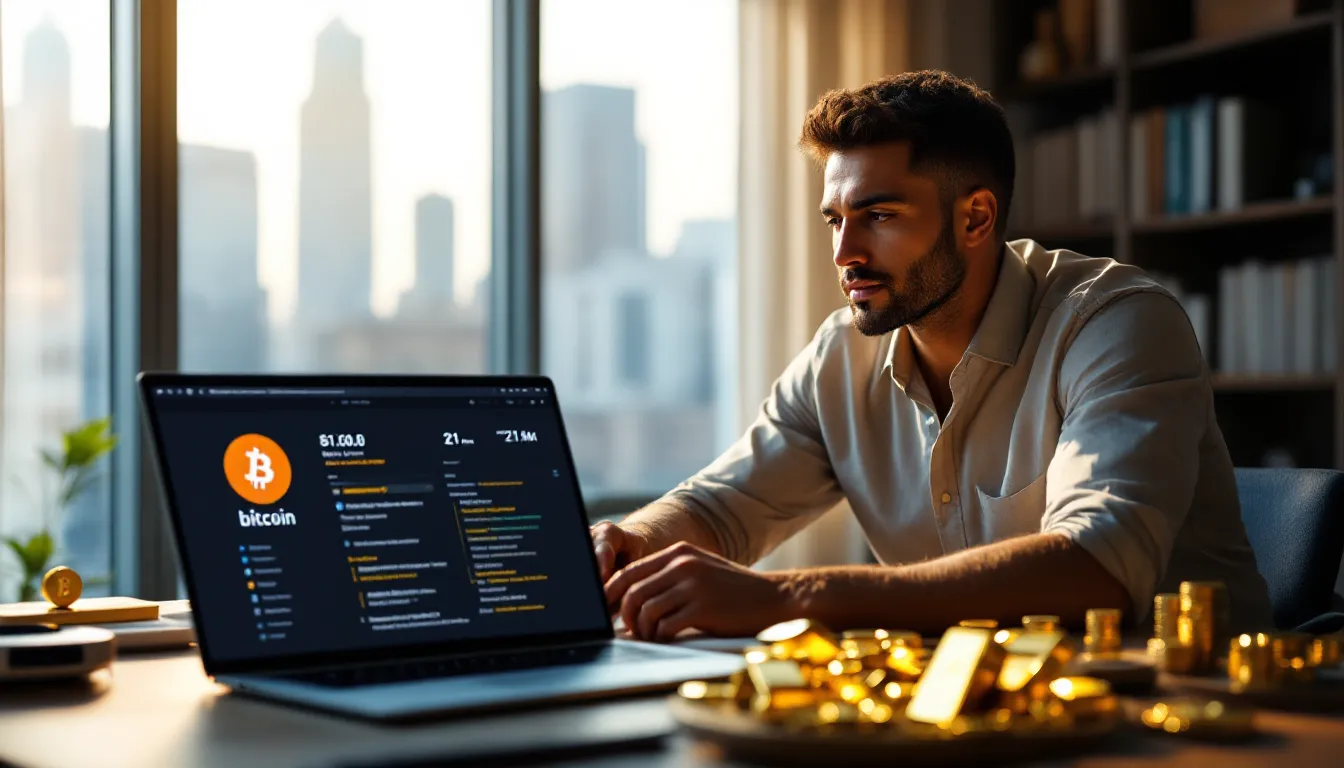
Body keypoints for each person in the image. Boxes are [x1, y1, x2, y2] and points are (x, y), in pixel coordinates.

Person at [593, 70, 1271, 641]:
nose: (844, 254)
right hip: (983, 714)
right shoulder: (840, 360)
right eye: (836, 219)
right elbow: (718, 510)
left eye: (879, 216)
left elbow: (1097, 564)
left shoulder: (1116, 321)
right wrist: (630, 543)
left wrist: (791, 598)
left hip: (1194, 715)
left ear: (975, 218)